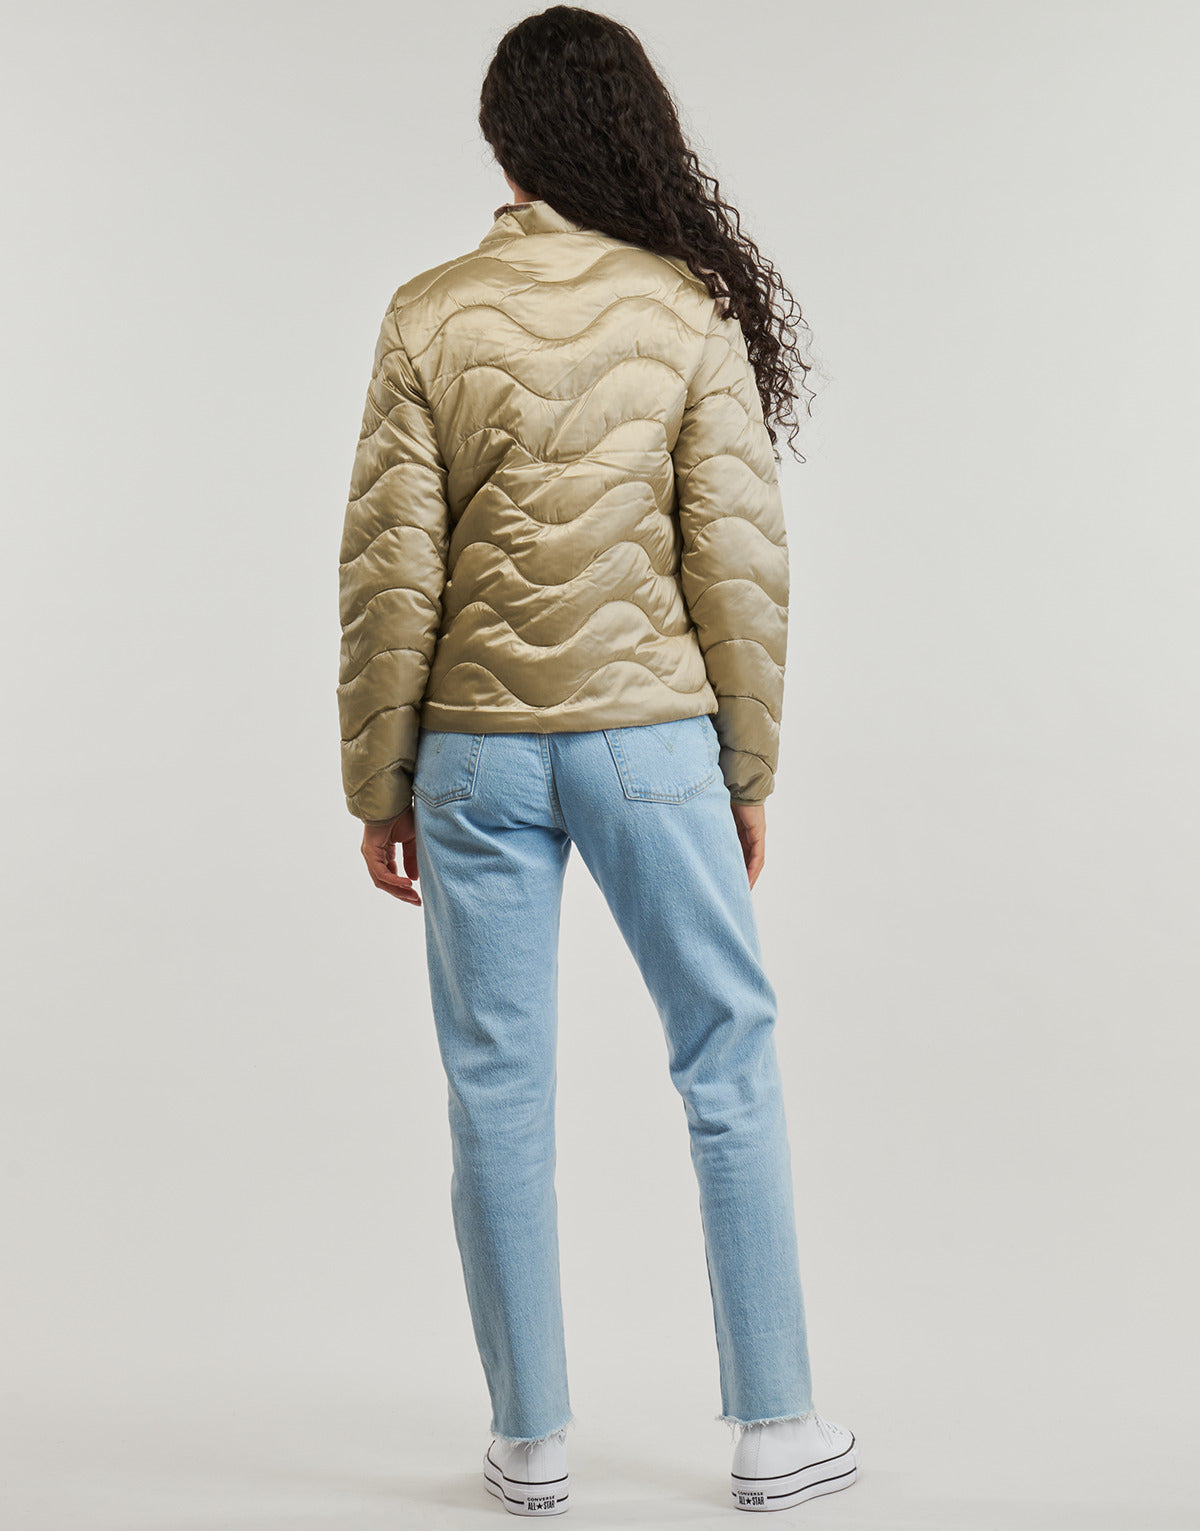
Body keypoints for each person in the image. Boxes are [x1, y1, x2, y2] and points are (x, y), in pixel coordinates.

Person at [335, 5, 858, 1515]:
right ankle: (775, 1429)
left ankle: (529, 1443)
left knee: (494, 1087)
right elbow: (738, 564)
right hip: (651, 745)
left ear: (502, 142)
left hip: (474, 758)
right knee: (726, 1057)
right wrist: (745, 769)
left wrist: (378, 783)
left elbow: (389, 573)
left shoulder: (428, 313)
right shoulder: (683, 307)